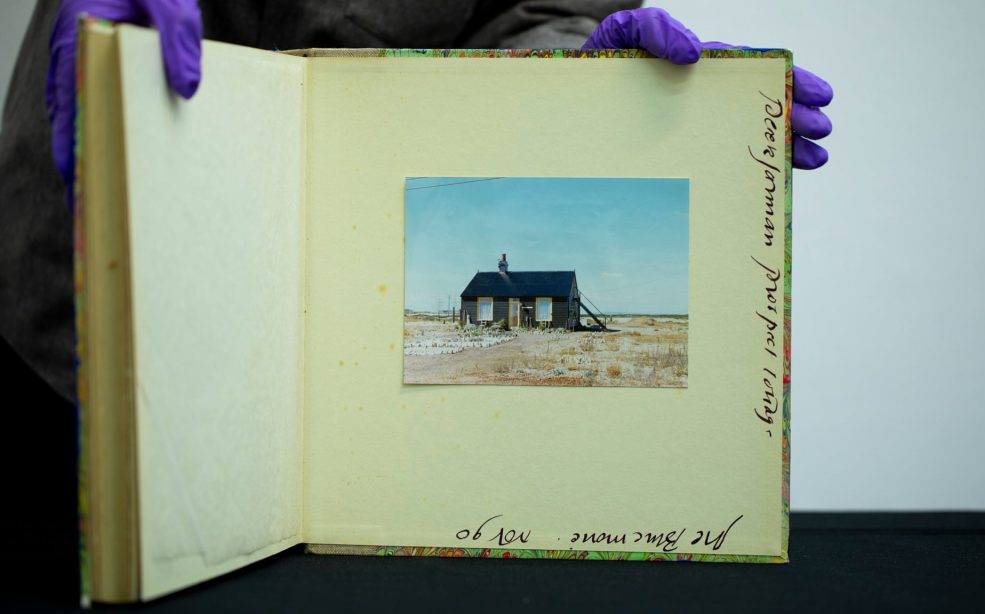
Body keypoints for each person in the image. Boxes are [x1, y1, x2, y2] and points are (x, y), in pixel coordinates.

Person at [0, 1, 832, 604]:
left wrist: (574, 90)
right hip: (89, 284)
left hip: (362, 398)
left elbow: (549, 9)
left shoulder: (511, 298)